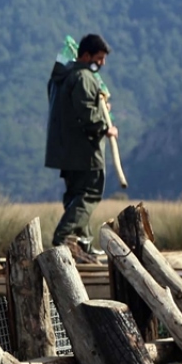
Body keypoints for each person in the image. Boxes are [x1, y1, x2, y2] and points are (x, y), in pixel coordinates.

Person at [45, 33, 118, 253]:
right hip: (84, 151)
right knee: (90, 193)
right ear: (86, 55)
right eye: (99, 58)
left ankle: (83, 243)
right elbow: (86, 113)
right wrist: (106, 127)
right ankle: (63, 236)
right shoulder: (83, 77)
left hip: (65, 151)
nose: (102, 63)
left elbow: (73, 109)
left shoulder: (62, 77)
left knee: (75, 195)